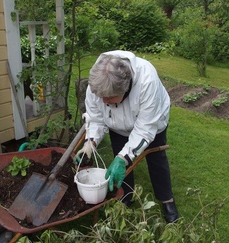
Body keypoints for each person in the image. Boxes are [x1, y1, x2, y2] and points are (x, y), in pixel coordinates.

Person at [75, 50, 179, 223]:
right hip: (117, 124)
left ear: (125, 88)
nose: (104, 102)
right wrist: (90, 144)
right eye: (101, 97)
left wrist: (125, 156)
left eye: (109, 98)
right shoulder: (98, 82)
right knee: (119, 157)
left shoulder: (147, 81)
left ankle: (167, 199)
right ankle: (125, 196)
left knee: (156, 159)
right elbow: (95, 117)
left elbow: (145, 129)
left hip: (152, 121)